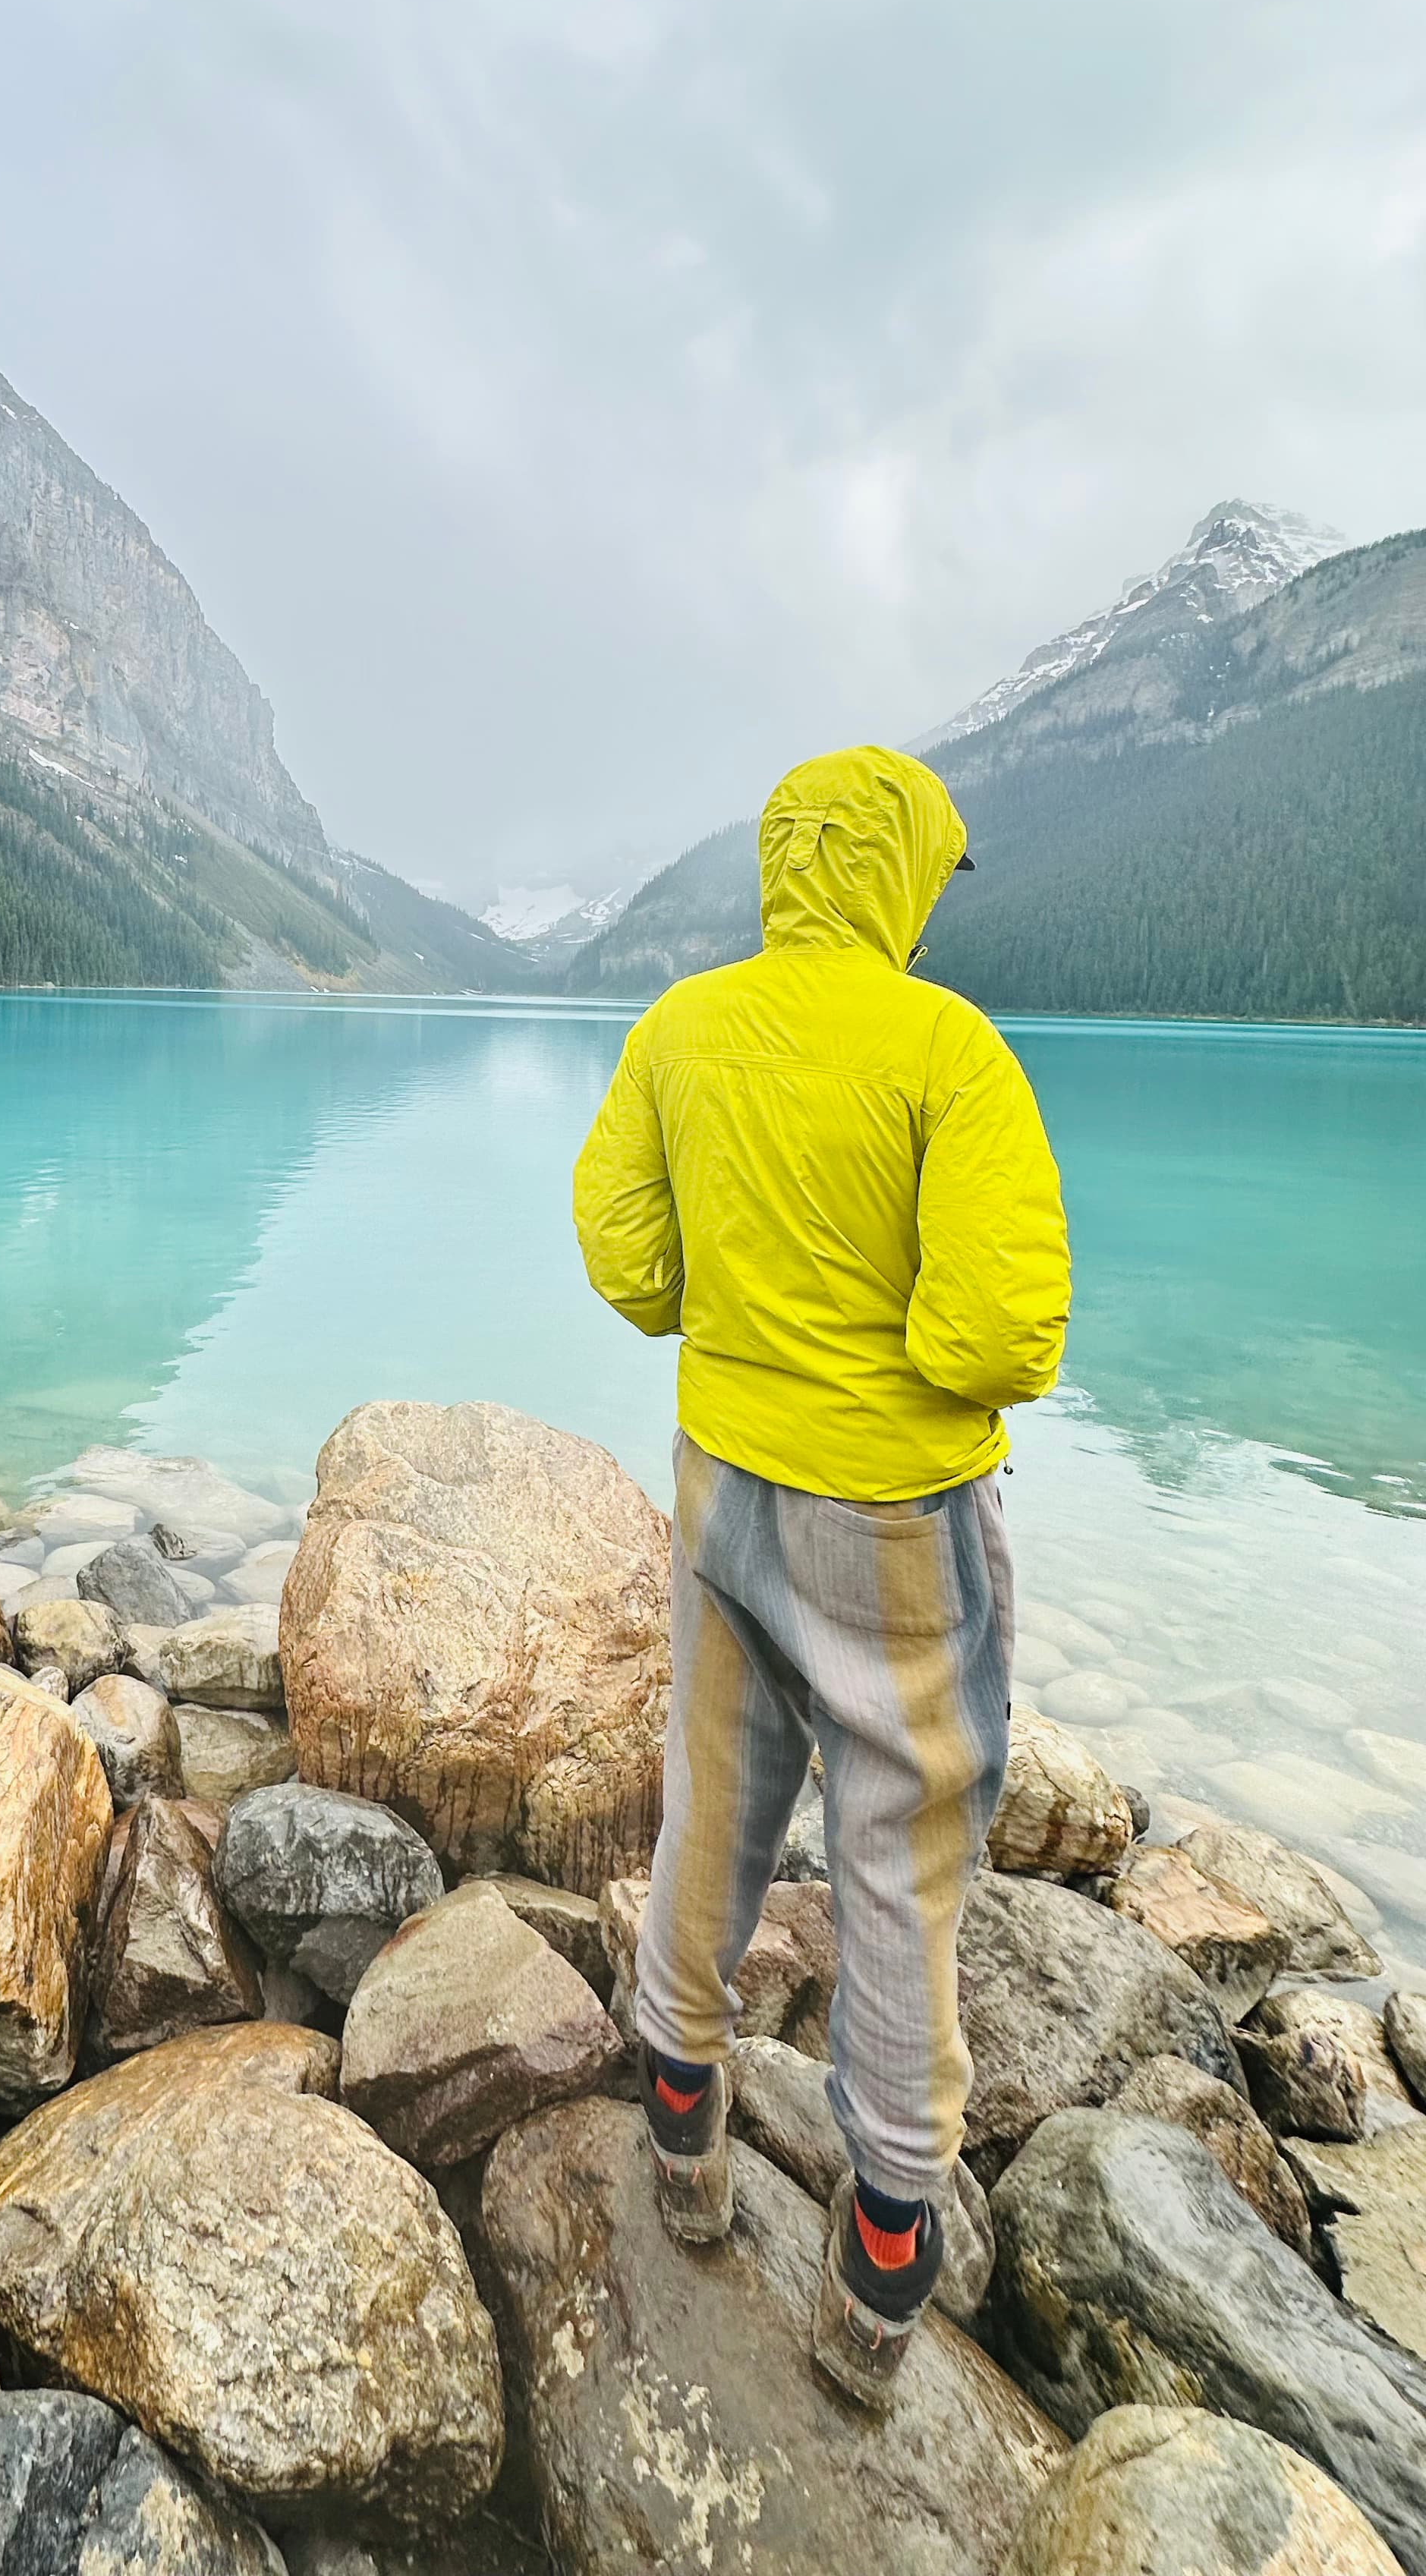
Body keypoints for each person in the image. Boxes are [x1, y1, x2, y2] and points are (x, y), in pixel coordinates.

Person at [571, 743, 1069, 2410]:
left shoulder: (678, 1031)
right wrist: (903, 1357)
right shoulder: (952, 1051)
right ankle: (880, 2260)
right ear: (900, 872)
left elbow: (628, 1261)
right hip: (893, 1521)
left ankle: (686, 2125)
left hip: (722, 1488)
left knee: (710, 1800)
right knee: (901, 1845)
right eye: (934, 873)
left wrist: (741, 1316)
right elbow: (998, 1330)